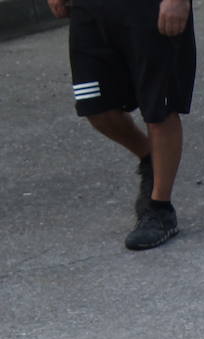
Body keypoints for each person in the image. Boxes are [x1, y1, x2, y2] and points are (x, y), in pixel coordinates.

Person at [48, 0, 195, 250]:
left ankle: (160, 210)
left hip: (150, 8)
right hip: (90, 9)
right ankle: (151, 158)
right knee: (96, 107)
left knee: (159, 108)